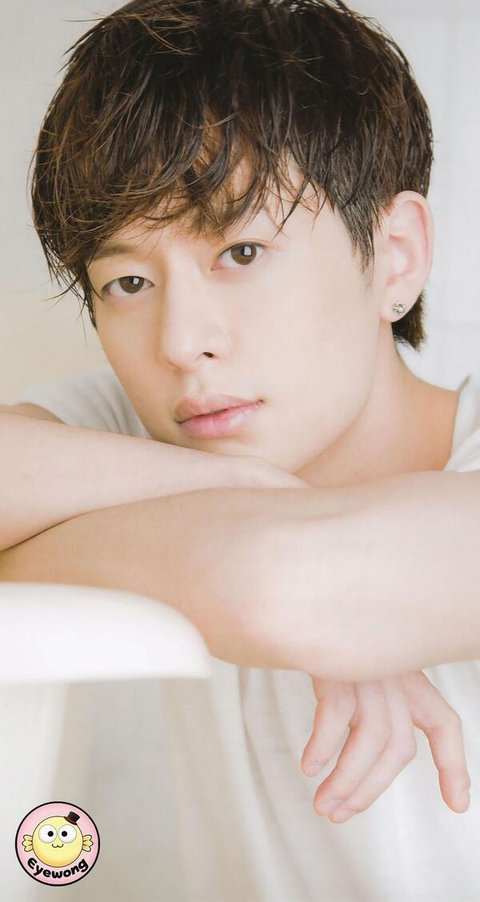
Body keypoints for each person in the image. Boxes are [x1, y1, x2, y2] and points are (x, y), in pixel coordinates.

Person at [1, 0, 480, 897]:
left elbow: (285, 582)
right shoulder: (149, 438)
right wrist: (232, 487)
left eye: (244, 252)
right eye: (128, 281)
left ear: (396, 255)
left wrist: (23, 553)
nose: (182, 343)